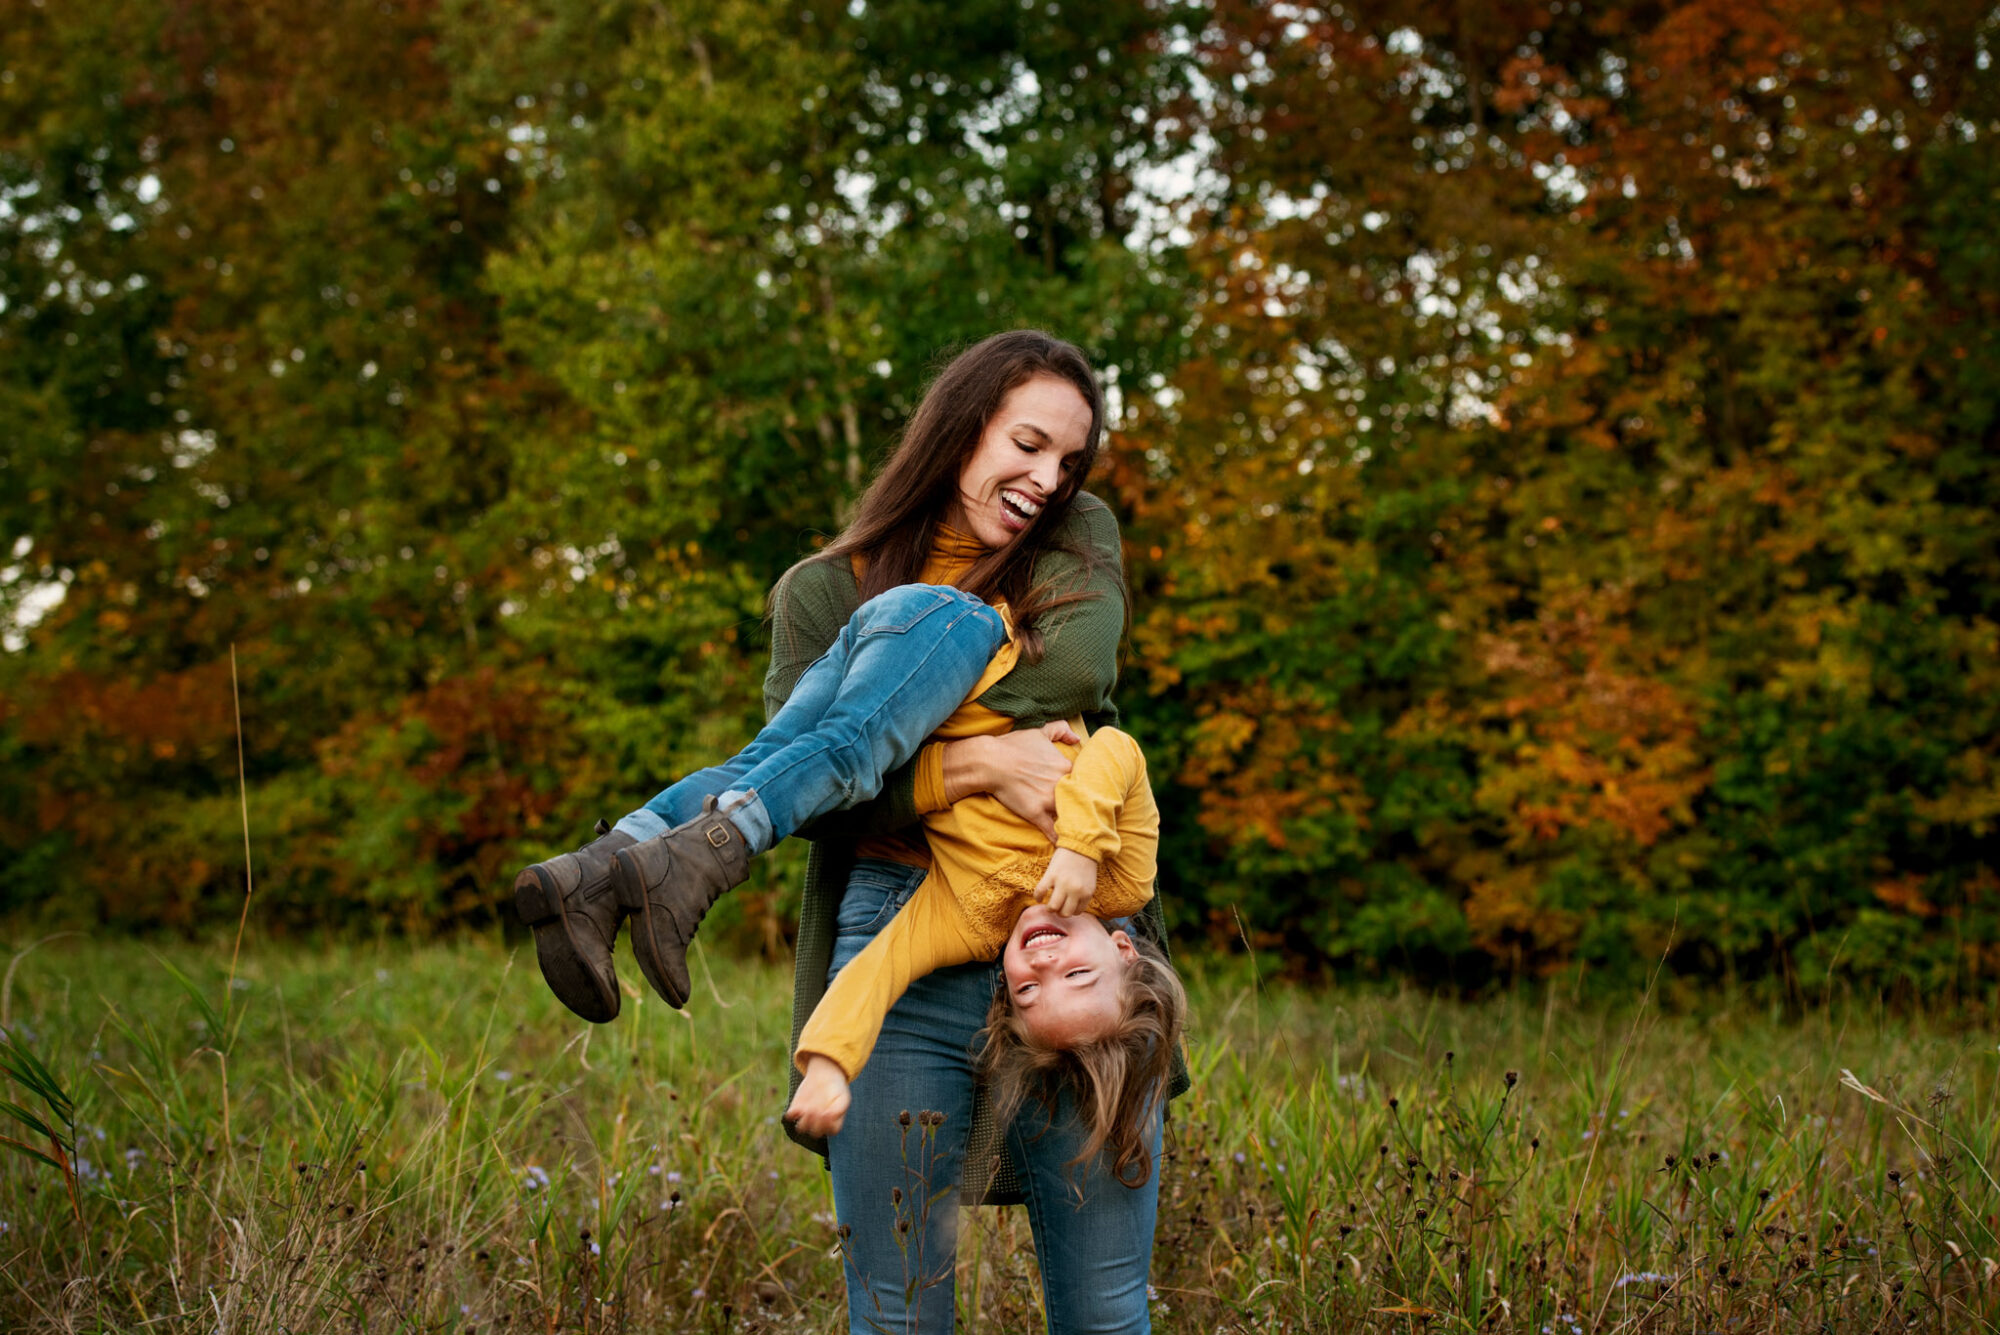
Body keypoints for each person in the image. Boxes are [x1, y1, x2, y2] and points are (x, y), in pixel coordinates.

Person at [513, 330, 1179, 1332]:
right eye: (1027, 444)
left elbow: (1072, 676)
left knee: (1104, 1310)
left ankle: (632, 857)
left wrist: (883, 743)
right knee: (899, 1314)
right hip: (904, 926)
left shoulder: (1075, 538)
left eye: (1067, 461)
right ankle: (654, 856)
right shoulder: (822, 592)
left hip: (1076, 942)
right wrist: (979, 764)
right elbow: (822, 797)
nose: (1048, 479)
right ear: (961, 429)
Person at [784, 717, 1184, 1192]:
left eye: (1030, 990)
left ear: (1005, 988)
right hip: (1020, 682)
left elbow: (880, 965)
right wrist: (1082, 847)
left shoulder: (967, 920)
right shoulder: (1121, 884)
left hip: (937, 714)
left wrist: (829, 1063)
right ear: (1122, 948)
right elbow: (1120, 750)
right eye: (1077, 973)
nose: (1045, 965)